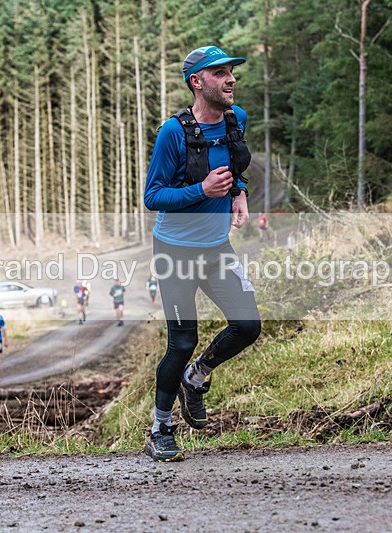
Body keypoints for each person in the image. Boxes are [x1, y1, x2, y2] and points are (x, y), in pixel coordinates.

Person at [142, 45, 262, 462]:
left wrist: (238, 193)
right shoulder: (173, 133)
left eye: (231, 72)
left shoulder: (236, 119)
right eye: (221, 73)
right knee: (181, 342)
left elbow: (235, 165)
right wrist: (202, 191)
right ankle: (160, 428)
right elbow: (152, 196)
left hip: (216, 248)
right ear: (197, 82)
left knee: (248, 325)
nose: (231, 79)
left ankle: (196, 379)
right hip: (174, 251)